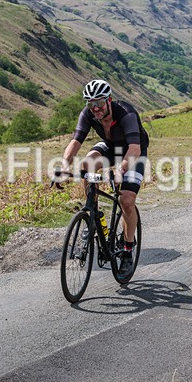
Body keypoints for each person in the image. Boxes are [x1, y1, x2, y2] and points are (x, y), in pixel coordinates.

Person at [61, 79, 149, 277]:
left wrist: (120, 170)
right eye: (91, 104)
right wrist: (64, 167)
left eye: (99, 103)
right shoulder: (89, 114)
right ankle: (93, 212)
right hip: (111, 146)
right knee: (86, 163)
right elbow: (76, 141)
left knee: (126, 200)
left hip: (134, 151)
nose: (96, 109)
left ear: (109, 100)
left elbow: (134, 149)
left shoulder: (126, 113)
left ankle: (127, 250)